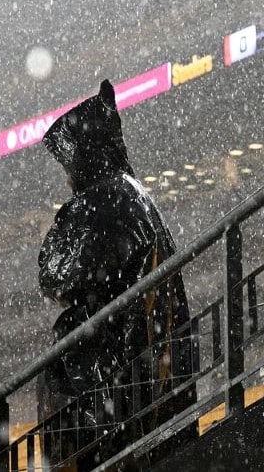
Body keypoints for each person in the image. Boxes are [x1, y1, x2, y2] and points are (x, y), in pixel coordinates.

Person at [37, 80, 195, 470]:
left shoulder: (104, 201)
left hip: (119, 386)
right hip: (155, 375)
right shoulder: (133, 194)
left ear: (83, 158)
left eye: (68, 165)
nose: (66, 178)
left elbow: (52, 274)